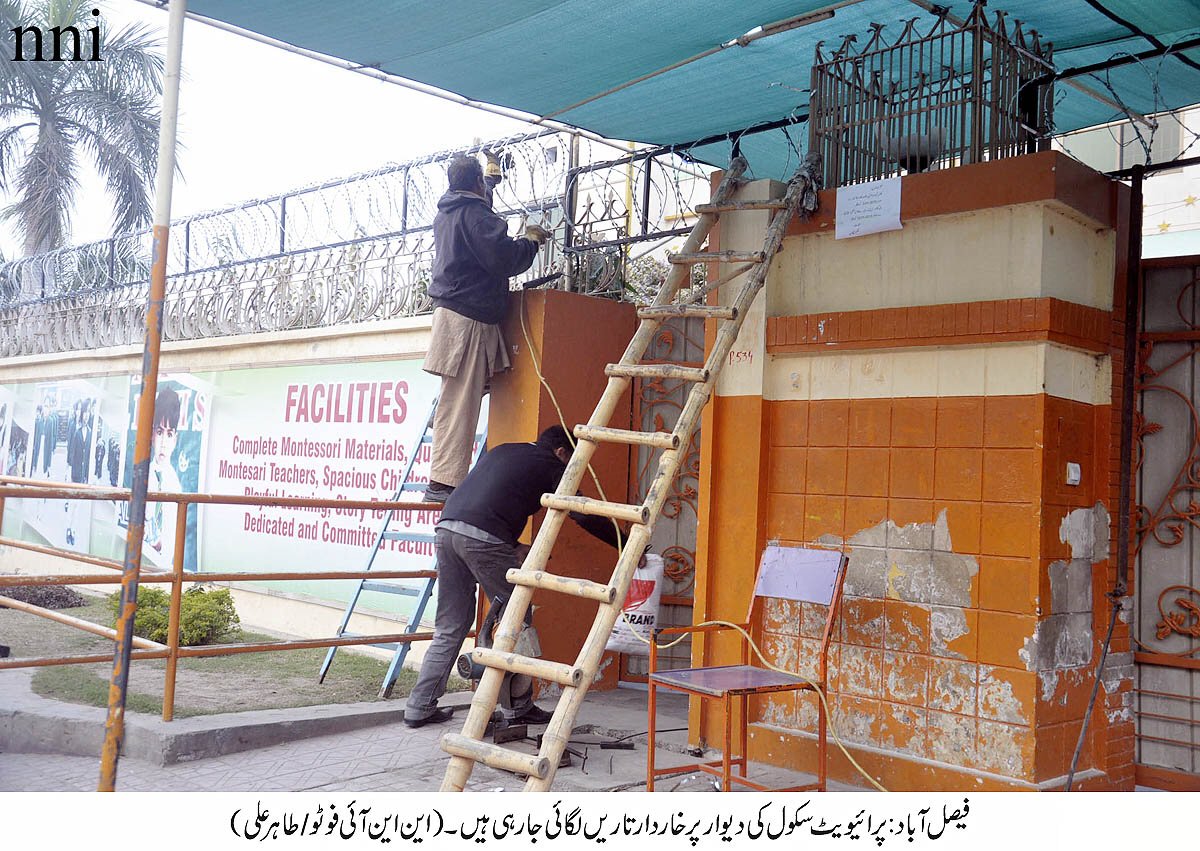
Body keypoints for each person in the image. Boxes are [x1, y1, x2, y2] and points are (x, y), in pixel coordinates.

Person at [404, 425, 625, 729]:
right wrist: (625, 545)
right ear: (562, 452)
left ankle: (419, 706)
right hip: (484, 538)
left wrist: (510, 545)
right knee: (517, 621)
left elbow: (488, 499)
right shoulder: (552, 465)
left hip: (447, 530)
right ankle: (518, 708)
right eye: (571, 461)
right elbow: (581, 513)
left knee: (451, 624)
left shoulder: (504, 449)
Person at [421, 154, 550, 503]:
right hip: (470, 317)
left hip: (460, 314)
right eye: (484, 182)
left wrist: (491, 180)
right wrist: (532, 242)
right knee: (462, 399)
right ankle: (443, 484)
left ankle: (441, 413)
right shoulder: (474, 215)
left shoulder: (451, 210)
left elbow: (478, 216)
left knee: (471, 386)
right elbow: (503, 258)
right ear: (475, 183)